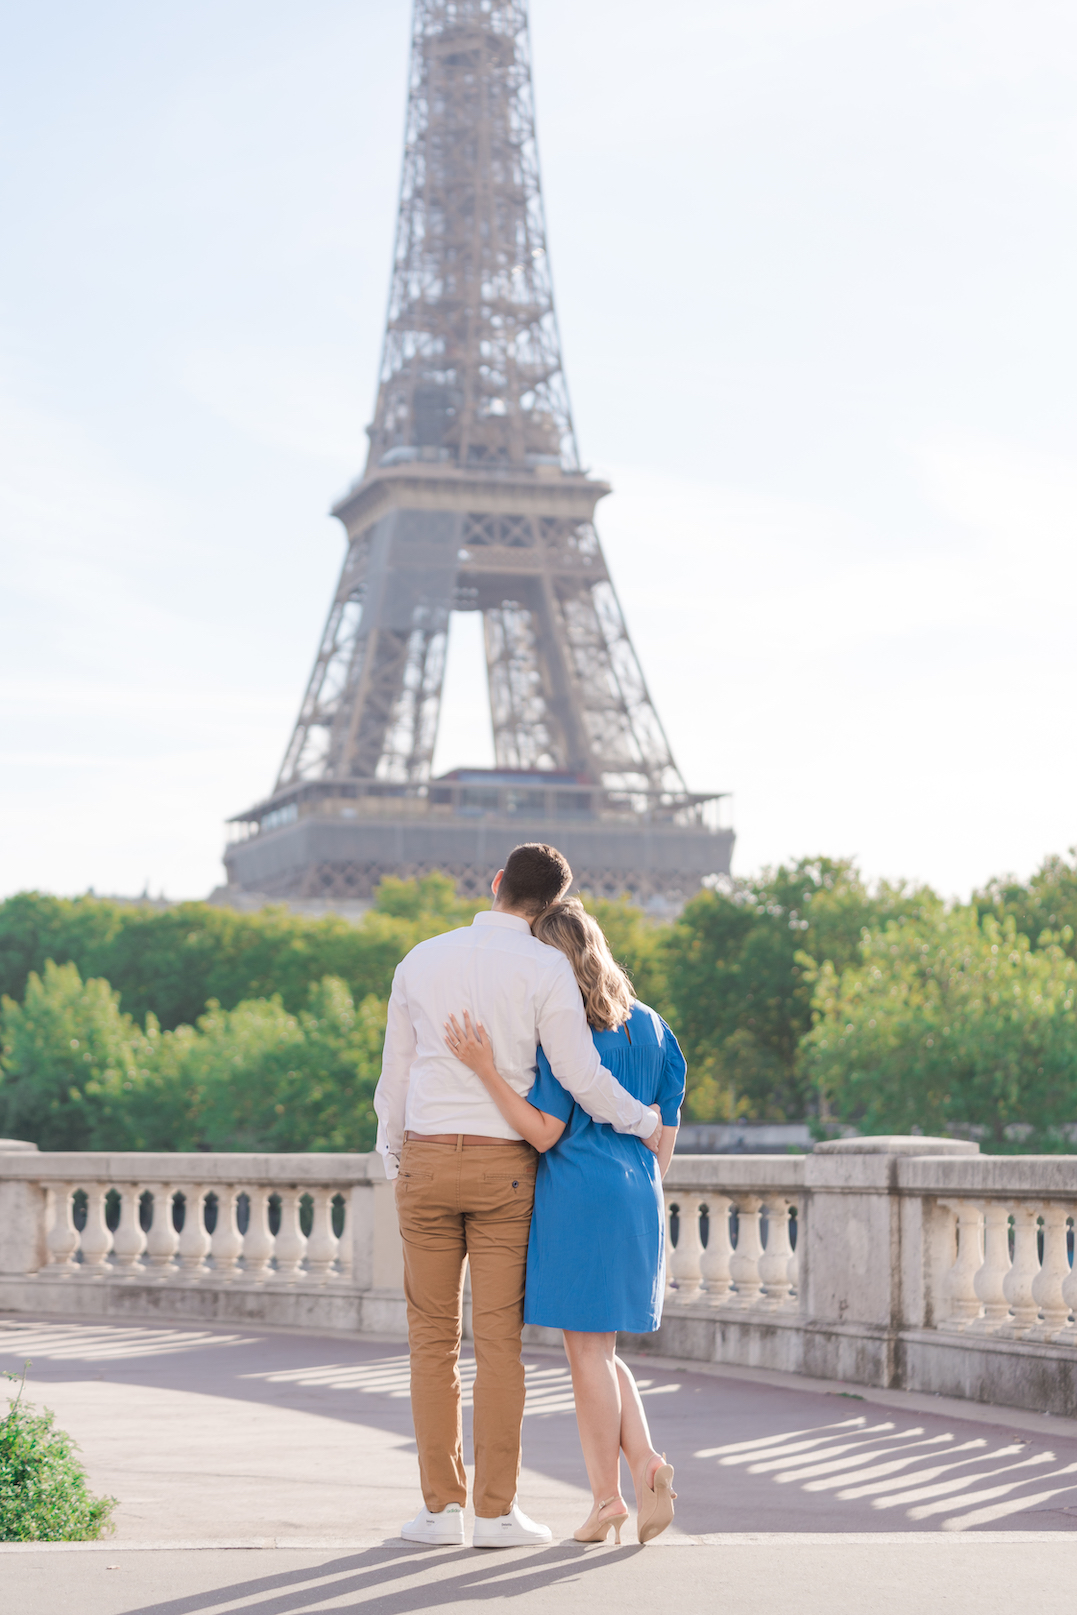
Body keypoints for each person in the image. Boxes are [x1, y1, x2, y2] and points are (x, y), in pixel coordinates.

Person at [374, 843, 663, 1550]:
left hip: (428, 1156)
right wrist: (645, 1120)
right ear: (548, 905)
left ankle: (440, 1511)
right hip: (506, 1165)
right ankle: (498, 1513)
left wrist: (392, 1154)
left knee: (429, 1344)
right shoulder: (543, 968)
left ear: (497, 883)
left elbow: (395, 1076)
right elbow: (580, 1073)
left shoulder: (420, 958)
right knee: (498, 1344)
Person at [445, 896, 685, 1546]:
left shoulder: (563, 1030)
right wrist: (636, 1170)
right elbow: (665, 1127)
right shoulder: (654, 1026)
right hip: (637, 1191)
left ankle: (606, 1499)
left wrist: (485, 1070)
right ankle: (646, 1464)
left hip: (577, 1191)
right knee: (599, 1350)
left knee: (584, 1357)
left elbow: (544, 1131)